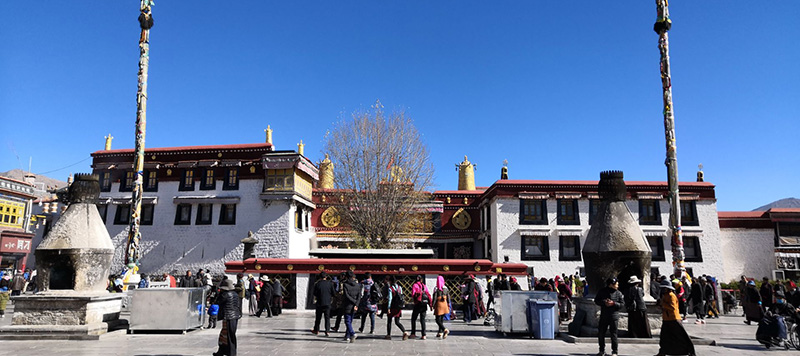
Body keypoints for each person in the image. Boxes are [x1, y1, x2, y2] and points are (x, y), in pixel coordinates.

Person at [655, 279, 696, 356]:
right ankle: (663, 351)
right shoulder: (665, 295)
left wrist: (663, 305)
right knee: (664, 337)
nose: (663, 289)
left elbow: (673, 307)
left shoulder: (671, 295)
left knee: (681, 335)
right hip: (666, 318)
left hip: (673, 318)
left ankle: (691, 351)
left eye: (664, 288)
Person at [594, 277, 624, 356]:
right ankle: (601, 350)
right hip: (604, 315)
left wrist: (614, 303)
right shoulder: (602, 291)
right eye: (616, 284)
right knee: (601, 333)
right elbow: (596, 300)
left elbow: (622, 304)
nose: (617, 285)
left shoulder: (619, 293)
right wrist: (604, 302)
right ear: (611, 285)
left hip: (614, 316)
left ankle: (614, 351)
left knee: (614, 334)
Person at [213, 278, 241, 356]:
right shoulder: (235, 294)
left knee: (229, 336)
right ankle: (222, 351)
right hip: (235, 316)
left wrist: (218, 294)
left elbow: (217, 302)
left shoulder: (225, 294)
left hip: (228, 316)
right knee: (226, 335)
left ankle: (231, 353)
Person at [311, 272, 336, 337]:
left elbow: (315, 293)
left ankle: (316, 330)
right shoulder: (330, 284)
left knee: (318, 317)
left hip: (319, 303)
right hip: (327, 303)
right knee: (327, 317)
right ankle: (327, 330)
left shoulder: (317, 284)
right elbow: (333, 293)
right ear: (326, 277)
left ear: (320, 277)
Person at [340, 271, 362, 343]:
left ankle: (352, 333)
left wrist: (353, 301)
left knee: (347, 321)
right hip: (355, 306)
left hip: (347, 305)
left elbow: (346, 295)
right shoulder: (358, 285)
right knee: (350, 321)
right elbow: (359, 296)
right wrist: (356, 304)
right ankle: (347, 336)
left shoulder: (345, 285)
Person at [385, 275, 409, 340]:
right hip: (399, 306)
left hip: (393, 306)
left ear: (390, 281)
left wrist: (389, 308)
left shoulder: (390, 288)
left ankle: (388, 335)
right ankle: (404, 331)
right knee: (397, 322)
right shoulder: (399, 287)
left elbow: (390, 298)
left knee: (389, 321)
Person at [410, 275, 432, 340]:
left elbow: (413, 294)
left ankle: (413, 333)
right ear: (421, 280)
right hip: (424, 305)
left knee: (413, 319)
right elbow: (428, 295)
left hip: (417, 304)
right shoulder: (424, 286)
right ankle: (424, 335)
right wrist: (430, 305)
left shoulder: (415, 285)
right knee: (422, 320)